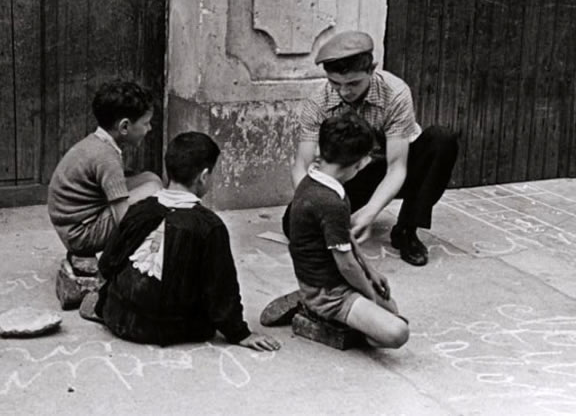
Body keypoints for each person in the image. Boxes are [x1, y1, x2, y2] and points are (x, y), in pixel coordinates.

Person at [95, 132, 280, 351]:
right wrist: (240, 333)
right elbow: (221, 290)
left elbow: (107, 263)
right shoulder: (209, 226)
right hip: (175, 328)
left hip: (120, 318)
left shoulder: (139, 210)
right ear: (203, 176)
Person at [291, 30, 458, 266]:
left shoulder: (396, 93)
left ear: (372, 69)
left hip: (397, 168)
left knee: (442, 139)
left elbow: (396, 168)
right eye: (335, 83)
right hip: (354, 173)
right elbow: (302, 166)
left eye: (353, 83)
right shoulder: (318, 102)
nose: (344, 91)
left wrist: (370, 212)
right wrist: (317, 207)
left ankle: (406, 230)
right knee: (293, 223)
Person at [286, 113, 408, 348]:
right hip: (327, 292)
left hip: (333, 279)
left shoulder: (319, 182)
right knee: (397, 332)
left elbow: (345, 235)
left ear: (320, 150)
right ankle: (313, 309)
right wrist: (369, 296)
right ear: (361, 163)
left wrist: (371, 271)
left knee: (392, 308)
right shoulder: (330, 201)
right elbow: (346, 264)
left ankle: (329, 309)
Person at [48, 79, 163, 257]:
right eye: (146, 123)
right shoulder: (107, 157)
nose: (150, 128)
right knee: (153, 189)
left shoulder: (98, 142)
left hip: (76, 222)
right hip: (80, 235)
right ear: (124, 126)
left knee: (151, 178)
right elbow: (122, 220)